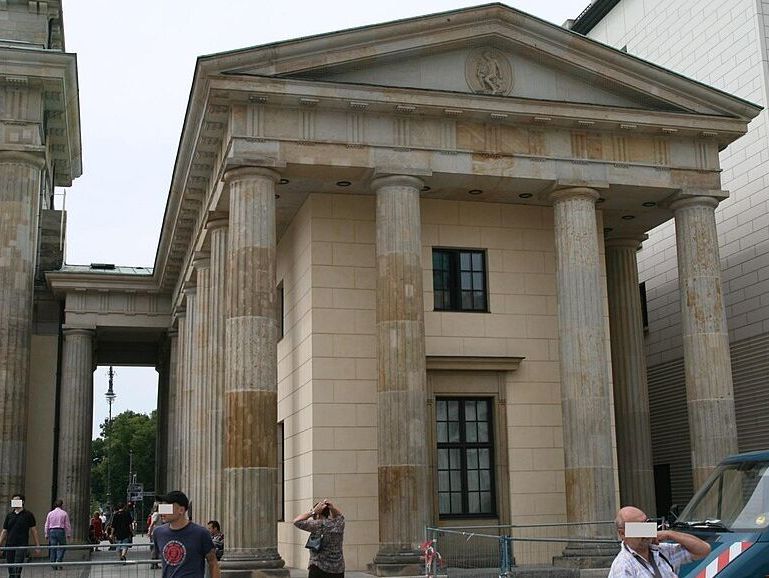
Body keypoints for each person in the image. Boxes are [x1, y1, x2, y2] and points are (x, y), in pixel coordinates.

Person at [608, 505, 711, 577]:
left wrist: (670, 534)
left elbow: (704, 549)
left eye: (647, 523)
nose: (646, 530)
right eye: (638, 527)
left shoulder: (661, 551)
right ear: (623, 534)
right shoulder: (623, 566)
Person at [152, 491, 220, 578]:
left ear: (181, 510)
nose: (162, 512)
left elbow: (212, 562)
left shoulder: (201, 533)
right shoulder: (158, 533)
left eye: (166, 508)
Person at [293, 498, 345, 578]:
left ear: (317, 514)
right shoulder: (338, 524)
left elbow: (297, 521)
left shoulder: (317, 524)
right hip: (338, 569)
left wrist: (313, 511)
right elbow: (340, 516)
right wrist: (332, 508)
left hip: (318, 567)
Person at [0, 494, 41, 578]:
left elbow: (34, 530)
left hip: (21, 544)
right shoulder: (9, 515)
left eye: (16, 500)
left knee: (17, 568)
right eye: (13, 501)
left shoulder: (28, 515)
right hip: (10, 544)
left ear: (22, 502)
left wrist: (37, 545)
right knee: (11, 568)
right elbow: (4, 531)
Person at [43, 499, 71, 569]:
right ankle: (58, 560)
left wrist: (46, 533)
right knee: (62, 546)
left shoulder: (50, 513)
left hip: (52, 531)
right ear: (61, 505)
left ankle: (53, 563)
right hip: (60, 530)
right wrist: (68, 534)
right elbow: (67, 524)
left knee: (53, 548)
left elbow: (47, 524)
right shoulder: (64, 513)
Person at [147, 503, 161, 569]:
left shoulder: (158, 514)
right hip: (155, 533)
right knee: (154, 548)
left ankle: (155, 564)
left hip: (156, 532)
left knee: (155, 548)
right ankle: (153, 564)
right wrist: (150, 532)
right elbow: (152, 523)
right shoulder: (157, 514)